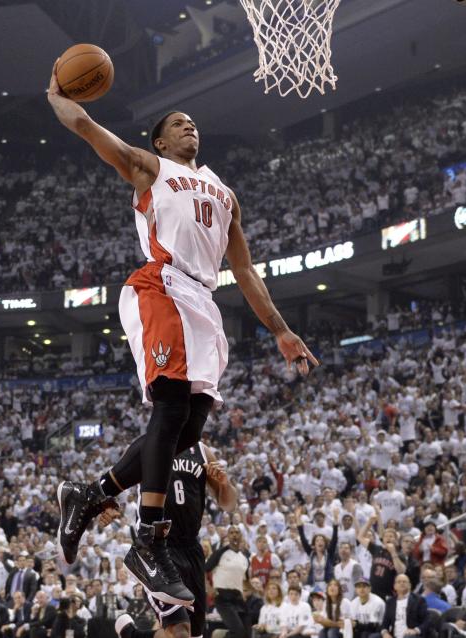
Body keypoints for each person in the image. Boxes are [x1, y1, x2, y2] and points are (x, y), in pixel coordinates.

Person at [47, 56, 318, 609]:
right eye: (176, 123)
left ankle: (88, 495)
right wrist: (55, 91)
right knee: (169, 407)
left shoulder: (223, 192)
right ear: (161, 143)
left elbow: (243, 270)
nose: (188, 125)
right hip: (161, 284)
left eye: (192, 121)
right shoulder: (150, 169)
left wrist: (281, 330)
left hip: (204, 300)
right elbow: (84, 126)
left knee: (188, 432)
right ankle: (149, 538)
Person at [111, 442, 238, 638]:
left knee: (193, 634)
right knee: (180, 631)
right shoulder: (146, 445)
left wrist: (224, 483)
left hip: (191, 548)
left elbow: (229, 505)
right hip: (158, 547)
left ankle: (132, 634)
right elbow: (115, 481)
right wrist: (106, 506)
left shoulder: (203, 452)